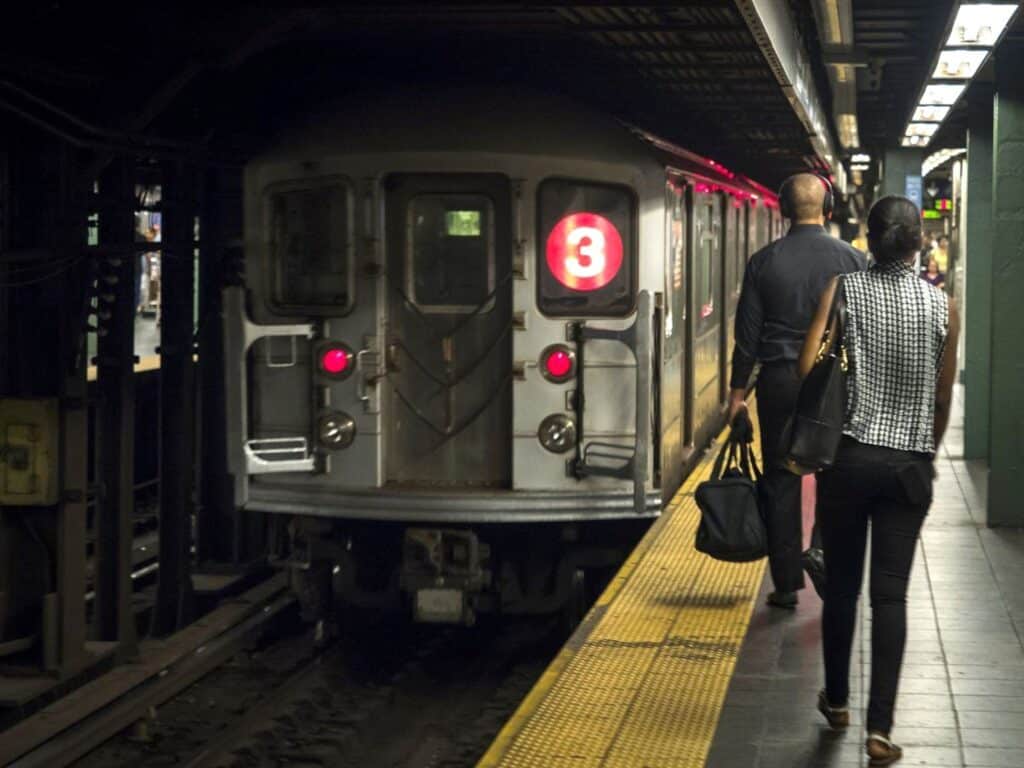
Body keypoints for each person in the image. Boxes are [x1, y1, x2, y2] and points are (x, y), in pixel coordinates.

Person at [799, 196, 958, 766]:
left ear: (869, 238)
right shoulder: (943, 305)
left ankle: (837, 701)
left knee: (842, 587)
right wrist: (925, 453)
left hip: (850, 459)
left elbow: (806, 366)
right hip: (907, 467)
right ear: (918, 243)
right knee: (891, 595)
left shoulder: (843, 290)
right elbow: (942, 397)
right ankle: (880, 731)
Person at [729, 173, 866, 609]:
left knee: (781, 478)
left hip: (780, 380)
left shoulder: (763, 262)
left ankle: (786, 585)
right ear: (827, 210)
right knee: (835, 472)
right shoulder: (855, 261)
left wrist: (736, 394)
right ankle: (823, 553)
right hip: (835, 379)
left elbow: (747, 337)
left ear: (783, 212)